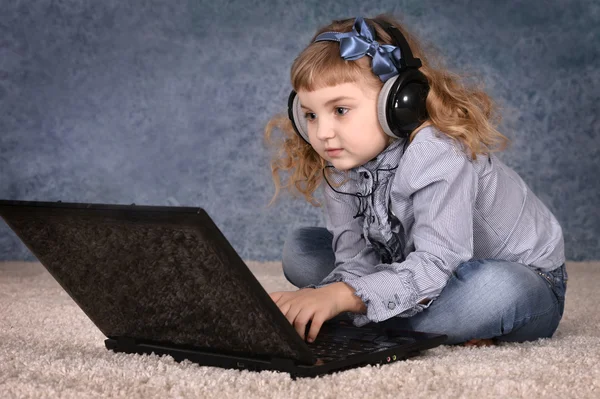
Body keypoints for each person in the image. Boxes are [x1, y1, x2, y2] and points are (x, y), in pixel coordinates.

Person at [263, 14, 567, 347]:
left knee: (495, 287)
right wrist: (339, 291)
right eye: (310, 114)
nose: (322, 133)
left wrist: (339, 296)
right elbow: (353, 262)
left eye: (340, 111)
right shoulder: (341, 162)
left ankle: (383, 315)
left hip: (524, 278)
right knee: (301, 250)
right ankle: (397, 313)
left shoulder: (437, 153)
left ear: (398, 104)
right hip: (410, 263)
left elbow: (437, 263)